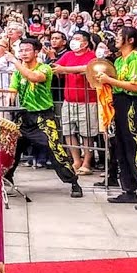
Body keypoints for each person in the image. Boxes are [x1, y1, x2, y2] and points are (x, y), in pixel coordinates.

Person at [3, 38, 83, 197]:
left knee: (55, 149)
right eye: (21, 50)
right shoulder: (19, 71)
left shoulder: (45, 68)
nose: (23, 53)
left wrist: (14, 61)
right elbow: (13, 89)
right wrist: (8, 100)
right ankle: (7, 178)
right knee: (12, 148)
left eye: (27, 50)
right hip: (23, 116)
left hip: (43, 117)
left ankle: (73, 182)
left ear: (36, 52)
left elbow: (34, 77)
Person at [94, 27, 137, 210]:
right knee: (122, 149)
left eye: (119, 36)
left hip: (135, 107)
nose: (116, 39)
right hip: (120, 105)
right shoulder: (118, 60)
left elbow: (135, 85)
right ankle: (129, 190)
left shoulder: (136, 58)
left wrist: (109, 81)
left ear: (130, 40)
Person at [53, 30, 100, 176]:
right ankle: (76, 160)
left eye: (78, 39)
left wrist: (65, 69)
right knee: (68, 131)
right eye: (73, 38)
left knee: (87, 134)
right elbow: (56, 67)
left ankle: (87, 161)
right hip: (69, 99)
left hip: (87, 101)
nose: (74, 41)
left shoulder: (92, 56)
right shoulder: (68, 55)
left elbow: (87, 69)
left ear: (85, 43)